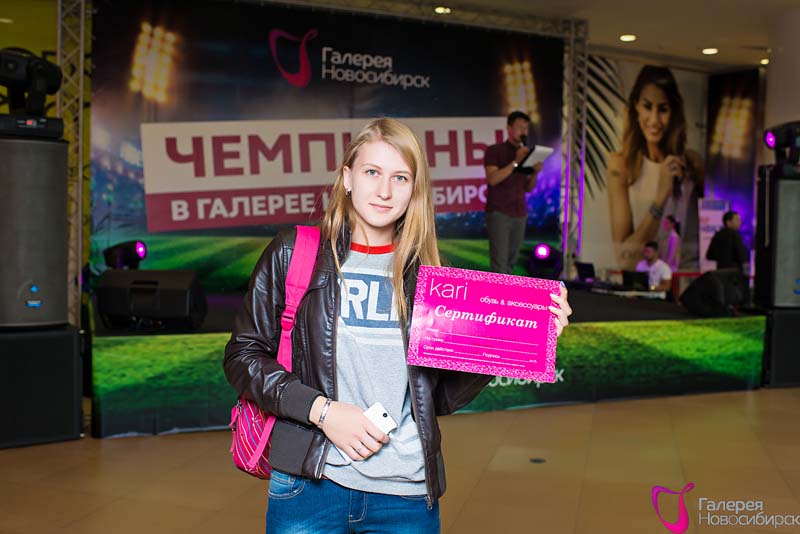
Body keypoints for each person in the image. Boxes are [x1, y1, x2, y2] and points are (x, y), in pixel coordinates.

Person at [223, 118, 573, 534]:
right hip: (308, 485)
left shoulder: (433, 280)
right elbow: (243, 355)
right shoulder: (294, 252)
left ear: (414, 189)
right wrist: (322, 412)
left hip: (405, 495)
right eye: (372, 172)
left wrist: (517, 338)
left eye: (400, 177)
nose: (385, 191)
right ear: (347, 178)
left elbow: (438, 397)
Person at [607, 66, 704, 271]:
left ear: (673, 112)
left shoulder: (693, 164)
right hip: (639, 283)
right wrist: (661, 196)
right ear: (636, 107)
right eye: (647, 107)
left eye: (663, 109)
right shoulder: (621, 165)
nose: (654, 120)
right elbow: (625, 260)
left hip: (683, 282)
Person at [484, 110, 543, 274]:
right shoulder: (495, 150)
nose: (523, 131)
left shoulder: (527, 154)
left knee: (511, 262)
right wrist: (516, 162)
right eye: (519, 127)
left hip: (520, 213)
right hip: (500, 212)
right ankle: (496, 291)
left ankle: (507, 291)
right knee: (499, 264)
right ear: (509, 128)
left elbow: (528, 188)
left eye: (526, 128)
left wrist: (535, 173)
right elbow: (492, 179)